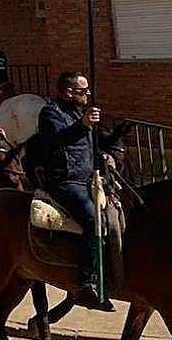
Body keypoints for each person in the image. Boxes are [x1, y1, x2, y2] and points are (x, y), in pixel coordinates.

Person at [36, 71, 115, 312]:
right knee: (93, 220)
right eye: (83, 91)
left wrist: (103, 157)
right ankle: (85, 283)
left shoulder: (81, 113)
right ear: (68, 92)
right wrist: (84, 125)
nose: (88, 94)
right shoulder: (50, 113)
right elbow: (57, 141)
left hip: (90, 179)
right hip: (65, 182)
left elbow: (87, 147)